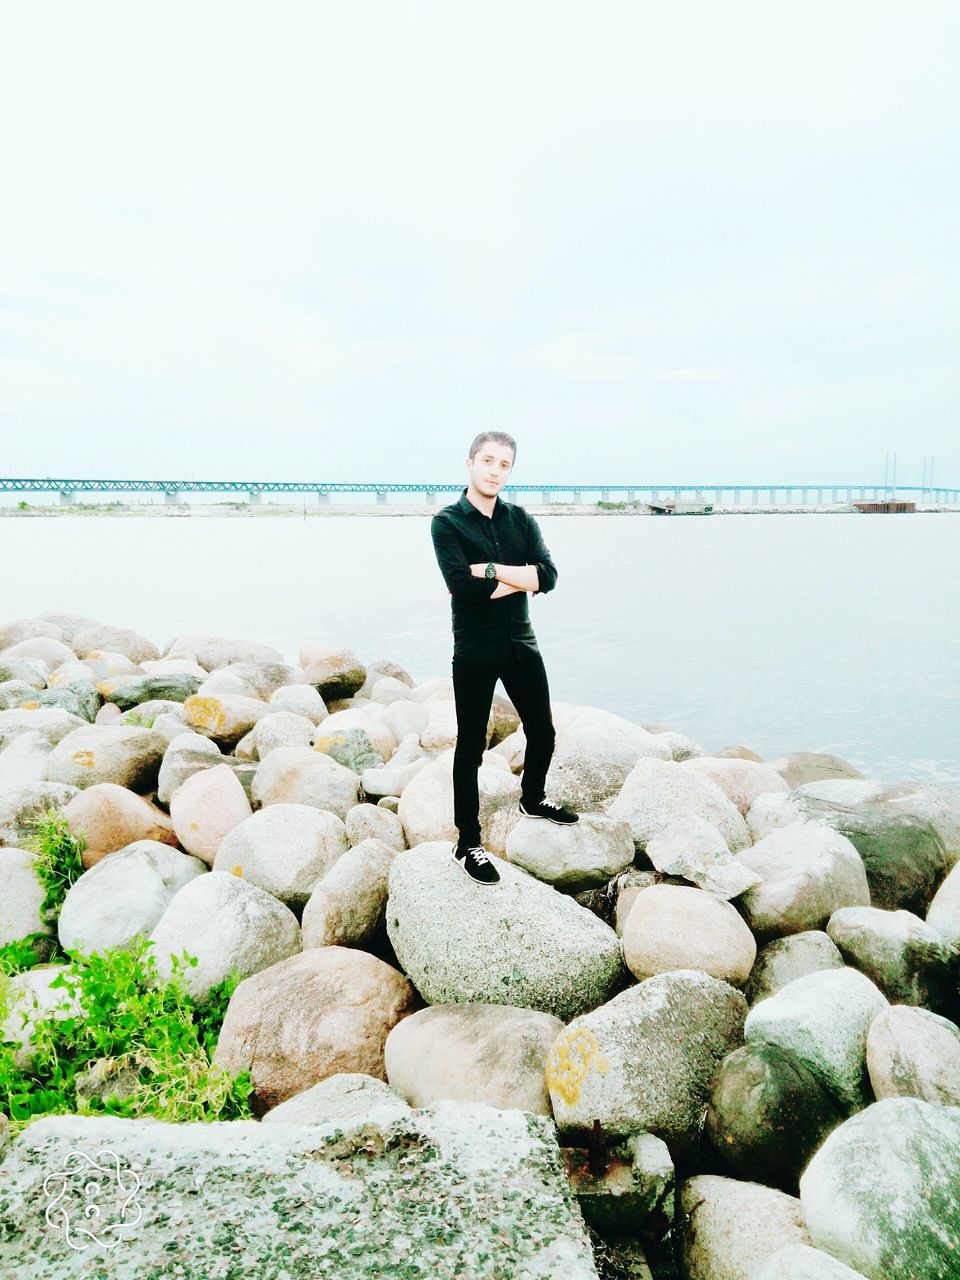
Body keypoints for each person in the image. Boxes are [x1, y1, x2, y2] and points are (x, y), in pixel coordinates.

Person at [430, 431, 579, 885]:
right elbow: (466, 590)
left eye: (504, 464)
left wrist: (495, 571)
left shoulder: (521, 519)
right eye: (488, 461)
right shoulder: (447, 523)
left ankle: (532, 798)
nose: (495, 470)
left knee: (544, 731)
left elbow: (549, 576)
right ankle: (467, 842)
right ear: (470, 463)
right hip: (475, 649)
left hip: (520, 643)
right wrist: (524, 578)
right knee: (470, 746)